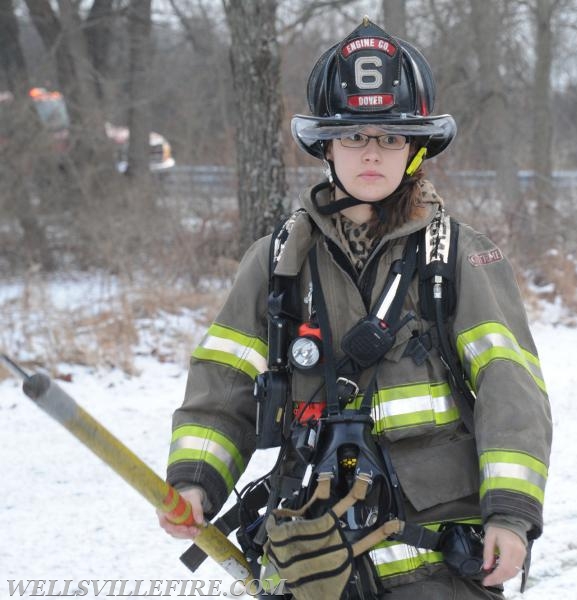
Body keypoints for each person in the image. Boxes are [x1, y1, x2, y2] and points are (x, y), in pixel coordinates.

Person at [158, 17, 552, 600]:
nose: (372, 153)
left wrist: (510, 515)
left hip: (437, 566)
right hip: (313, 565)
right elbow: (223, 385)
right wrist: (195, 483)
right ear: (326, 146)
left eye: (390, 137)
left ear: (416, 149)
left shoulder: (461, 259)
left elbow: (511, 390)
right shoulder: (274, 264)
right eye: (354, 137)